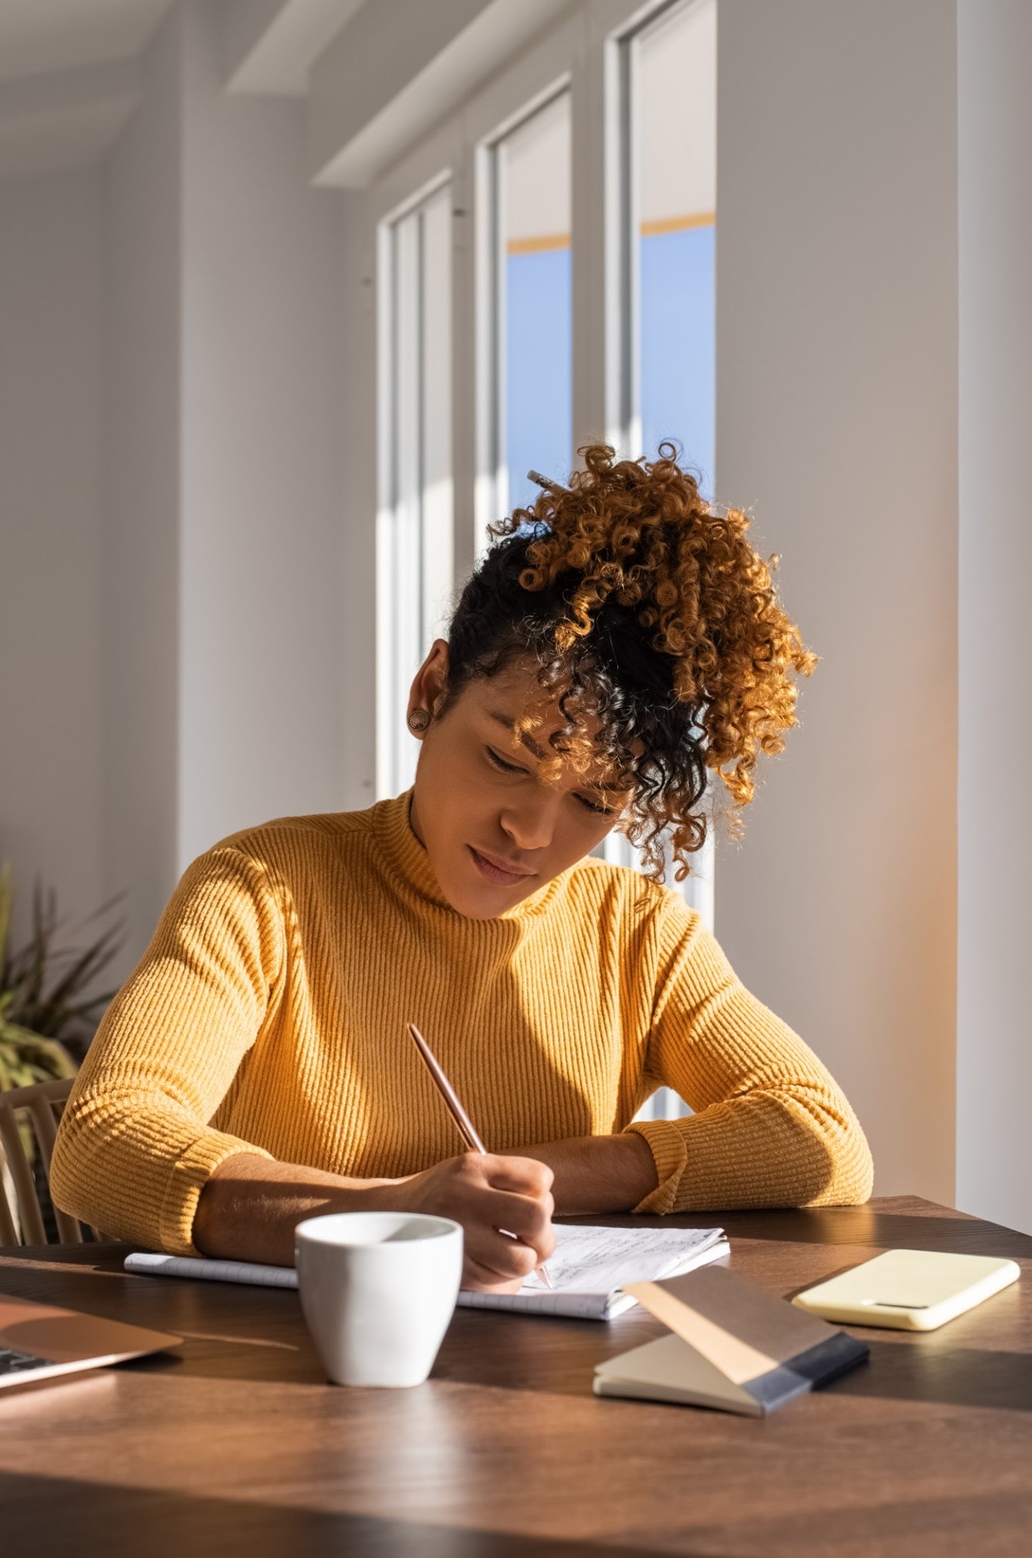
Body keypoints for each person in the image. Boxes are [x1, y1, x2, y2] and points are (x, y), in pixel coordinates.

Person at [52, 445, 872, 1291]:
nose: (528, 832)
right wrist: (392, 1216)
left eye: (594, 803)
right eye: (505, 760)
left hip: (541, 1398)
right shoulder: (260, 890)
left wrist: (530, 1179)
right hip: (279, 1386)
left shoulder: (637, 937)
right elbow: (104, 1140)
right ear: (429, 691)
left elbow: (820, 1140)